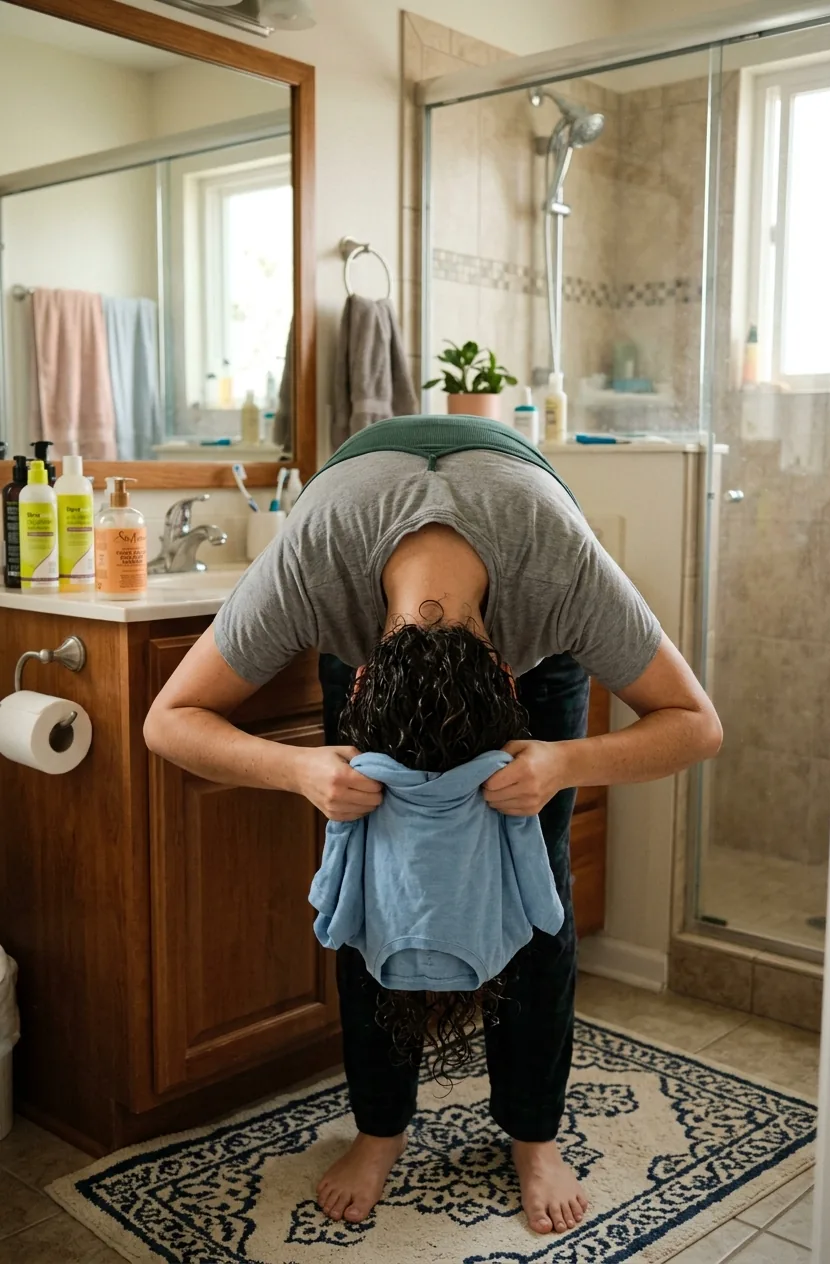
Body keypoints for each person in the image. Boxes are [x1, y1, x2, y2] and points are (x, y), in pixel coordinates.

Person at [144, 414, 722, 1237]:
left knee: (535, 890)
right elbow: (167, 720)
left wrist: (560, 762)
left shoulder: (558, 577)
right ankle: (381, 1128)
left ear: (503, 666)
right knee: (372, 883)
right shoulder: (318, 566)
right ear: (362, 675)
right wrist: (305, 769)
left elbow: (697, 723)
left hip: (522, 572)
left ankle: (533, 1136)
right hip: (365, 535)